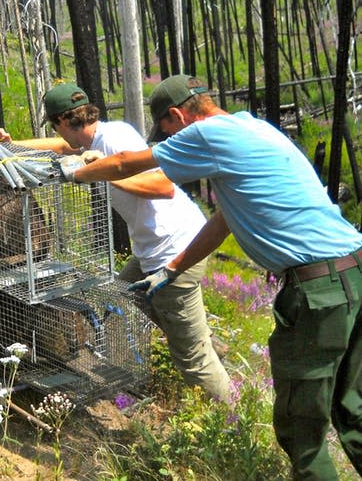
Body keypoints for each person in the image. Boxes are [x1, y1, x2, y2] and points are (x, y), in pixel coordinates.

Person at [64, 74, 362, 480]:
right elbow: (225, 219)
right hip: (355, 274)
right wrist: (172, 269)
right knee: (353, 410)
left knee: (302, 433)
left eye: (167, 132)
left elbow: (125, 164)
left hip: (318, 291)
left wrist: (73, 174)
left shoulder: (206, 133)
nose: (168, 142)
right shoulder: (252, 126)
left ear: (177, 115)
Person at [0, 82, 231, 401]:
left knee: (192, 361)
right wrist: (12, 143)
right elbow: (62, 149)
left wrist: (105, 172)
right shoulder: (102, 134)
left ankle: (231, 427)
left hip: (173, 247)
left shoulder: (112, 140)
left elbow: (163, 185)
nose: (58, 135)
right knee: (128, 289)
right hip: (162, 245)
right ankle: (207, 343)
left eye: (55, 126)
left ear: (62, 121)